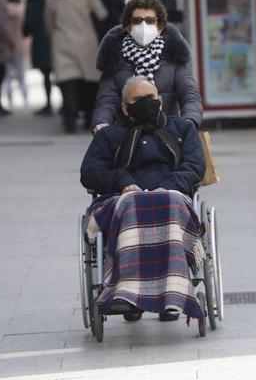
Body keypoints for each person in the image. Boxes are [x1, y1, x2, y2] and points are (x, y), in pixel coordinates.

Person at [81, 76, 206, 322]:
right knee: (132, 204)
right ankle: (128, 294)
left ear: (160, 101)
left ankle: (173, 294)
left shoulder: (182, 129)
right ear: (125, 108)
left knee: (168, 201)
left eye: (150, 98)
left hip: (171, 196)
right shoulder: (109, 137)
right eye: (138, 100)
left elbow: (195, 166)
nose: (146, 103)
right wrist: (122, 182)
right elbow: (90, 171)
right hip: (125, 198)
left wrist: (167, 187)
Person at [92, 0, 202, 134]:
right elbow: (107, 100)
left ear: (160, 27)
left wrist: (189, 120)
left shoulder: (173, 59)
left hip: (168, 134)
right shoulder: (114, 61)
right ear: (128, 26)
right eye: (137, 21)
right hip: (127, 137)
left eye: (150, 21)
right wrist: (101, 122)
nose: (143, 26)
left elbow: (190, 95)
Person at [45, 0, 107, 133]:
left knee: (68, 81)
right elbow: (102, 13)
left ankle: (69, 117)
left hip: (62, 41)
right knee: (89, 82)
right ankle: (89, 117)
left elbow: (49, 24)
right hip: (86, 41)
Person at [23, 0, 54, 116]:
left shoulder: (33, 1)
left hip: (41, 41)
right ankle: (67, 103)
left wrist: (26, 31)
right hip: (55, 39)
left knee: (46, 75)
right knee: (61, 73)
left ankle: (48, 103)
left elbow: (29, 23)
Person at [3, 0, 29, 109]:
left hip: (6, 46)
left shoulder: (3, 11)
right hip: (19, 45)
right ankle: (25, 99)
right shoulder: (22, 11)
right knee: (22, 76)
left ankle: (9, 100)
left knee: (7, 76)